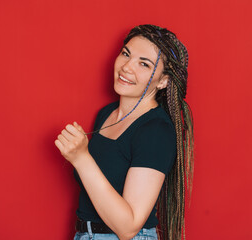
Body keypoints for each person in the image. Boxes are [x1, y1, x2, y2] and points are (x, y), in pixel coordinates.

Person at [55, 24, 194, 240]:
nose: (127, 67)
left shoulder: (156, 130)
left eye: (144, 64)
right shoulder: (106, 114)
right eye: (126, 54)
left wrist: (81, 158)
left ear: (164, 81)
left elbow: (128, 227)